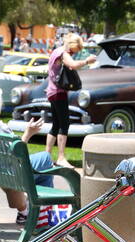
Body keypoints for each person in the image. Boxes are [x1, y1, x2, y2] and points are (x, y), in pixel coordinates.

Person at [0, 83, 52, 223]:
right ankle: (41, 212)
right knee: (46, 159)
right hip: (5, 171)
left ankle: (26, 211)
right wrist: (28, 133)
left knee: (41, 166)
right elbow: (17, 154)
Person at [45, 32, 96, 167]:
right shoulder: (63, 53)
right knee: (64, 124)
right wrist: (87, 61)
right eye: (76, 50)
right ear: (72, 46)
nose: (75, 53)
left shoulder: (56, 51)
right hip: (59, 93)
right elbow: (72, 65)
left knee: (56, 125)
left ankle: (47, 157)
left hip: (52, 92)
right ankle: (61, 157)